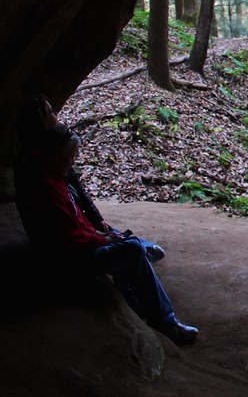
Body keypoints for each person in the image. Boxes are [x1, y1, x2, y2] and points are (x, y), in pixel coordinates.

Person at [14, 122, 198, 344]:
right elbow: (68, 237)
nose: (73, 161)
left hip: (78, 246)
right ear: (56, 155)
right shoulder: (46, 187)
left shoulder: (55, 176)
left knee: (125, 243)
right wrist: (102, 239)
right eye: (71, 155)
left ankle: (136, 292)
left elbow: (76, 220)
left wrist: (100, 230)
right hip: (71, 259)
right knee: (132, 249)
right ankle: (167, 323)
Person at [15, 94, 165, 262]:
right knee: (99, 231)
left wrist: (97, 219)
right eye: (50, 111)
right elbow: (64, 216)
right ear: (40, 121)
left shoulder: (48, 147)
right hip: (61, 242)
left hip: (69, 227)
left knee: (98, 225)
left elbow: (76, 187)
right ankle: (135, 246)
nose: (55, 115)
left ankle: (131, 243)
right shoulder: (40, 162)